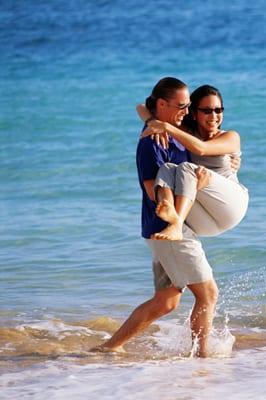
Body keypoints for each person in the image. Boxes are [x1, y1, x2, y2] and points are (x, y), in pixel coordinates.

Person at [93, 77, 219, 357]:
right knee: (208, 294)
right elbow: (153, 191)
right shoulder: (151, 142)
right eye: (181, 106)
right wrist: (191, 191)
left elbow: (142, 106)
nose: (187, 111)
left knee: (166, 301)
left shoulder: (173, 130)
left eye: (189, 106)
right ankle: (203, 358)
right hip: (168, 228)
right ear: (161, 104)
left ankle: (108, 347)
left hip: (161, 230)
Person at [137, 84, 249, 241]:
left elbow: (202, 149)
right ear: (194, 113)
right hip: (206, 218)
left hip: (230, 206)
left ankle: (176, 226)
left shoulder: (231, 137)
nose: (214, 116)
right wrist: (151, 121)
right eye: (207, 111)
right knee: (167, 168)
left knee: (186, 168)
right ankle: (172, 217)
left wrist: (165, 127)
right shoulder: (188, 134)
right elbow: (141, 107)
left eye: (218, 110)